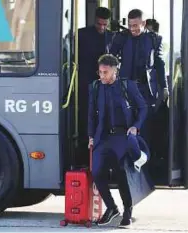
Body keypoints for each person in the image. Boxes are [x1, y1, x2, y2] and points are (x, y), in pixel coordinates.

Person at [88, 54, 148, 226]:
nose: (102, 76)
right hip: (103, 137)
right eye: (100, 72)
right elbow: (91, 114)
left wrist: (136, 126)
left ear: (115, 70)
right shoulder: (95, 87)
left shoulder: (127, 86)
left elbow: (143, 108)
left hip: (122, 137)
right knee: (97, 172)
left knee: (122, 174)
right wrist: (91, 136)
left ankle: (127, 211)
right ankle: (111, 207)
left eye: (105, 72)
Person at [108, 9, 168, 146]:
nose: (132, 29)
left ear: (144, 23)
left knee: (145, 127)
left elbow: (160, 65)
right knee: (125, 124)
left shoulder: (154, 39)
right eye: (130, 25)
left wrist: (164, 87)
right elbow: (110, 58)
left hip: (146, 90)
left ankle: (144, 160)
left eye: (135, 25)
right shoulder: (121, 37)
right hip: (126, 88)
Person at [78, 7, 113, 164]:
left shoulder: (112, 37)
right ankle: (84, 153)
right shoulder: (82, 34)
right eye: (99, 24)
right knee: (87, 116)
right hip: (86, 83)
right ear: (95, 20)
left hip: (105, 84)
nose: (102, 27)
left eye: (104, 24)